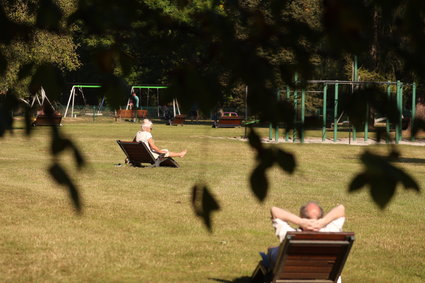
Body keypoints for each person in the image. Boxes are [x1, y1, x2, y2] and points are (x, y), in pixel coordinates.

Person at [264, 202, 345, 283]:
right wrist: (323, 222)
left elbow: (274, 210)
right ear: (321, 217)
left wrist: (300, 222)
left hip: (293, 276)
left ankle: (272, 250)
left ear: (302, 217)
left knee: (274, 253)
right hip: (326, 279)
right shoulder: (331, 232)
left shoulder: (290, 234)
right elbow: (341, 209)